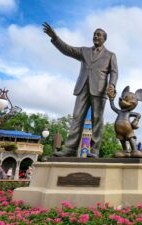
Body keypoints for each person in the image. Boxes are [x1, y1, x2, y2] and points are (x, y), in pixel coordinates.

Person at [43, 22, 117, 158]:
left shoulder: (110, 55)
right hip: (82, 88)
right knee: (77, 117)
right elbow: (67, 50)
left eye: (99, 35)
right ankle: (70, 149)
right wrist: (55, 38)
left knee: (97, 120)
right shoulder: (84, 51)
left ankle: (94, 150)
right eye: (94, 34)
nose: (95, 36)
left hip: (100, 90)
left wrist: (111, 85)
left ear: (104, 39)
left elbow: (114, 72)